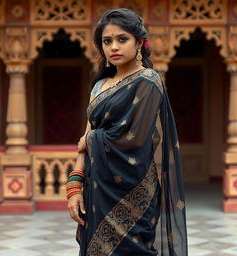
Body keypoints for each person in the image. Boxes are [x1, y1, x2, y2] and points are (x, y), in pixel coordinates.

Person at [66, 8, 188, 256]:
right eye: (107, 41)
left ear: (140, 43)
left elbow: (131, 138)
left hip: (134, 188)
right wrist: (75, 185)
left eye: (122, 39)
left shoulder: (148, 81)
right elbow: (87, 137)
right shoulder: (100, 85)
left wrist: (88, 140)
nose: (113, 47)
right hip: (97, 187)